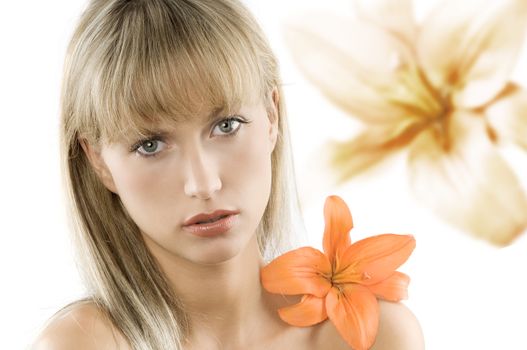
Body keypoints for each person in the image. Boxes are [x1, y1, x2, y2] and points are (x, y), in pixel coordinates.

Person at [32, 0, 425, 349]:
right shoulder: (80, 345)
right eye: (150, 145)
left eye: (226, 126)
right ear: (98, 161)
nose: (204, 184)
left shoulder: (369, 336)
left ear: (271, 115)